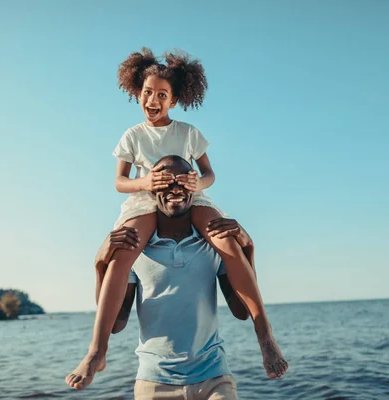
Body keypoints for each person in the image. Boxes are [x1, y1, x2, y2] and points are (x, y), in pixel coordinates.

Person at [67, 48, 287, 387]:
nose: (153, 100)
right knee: (122, 252)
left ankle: (266, 337)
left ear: (174, 99)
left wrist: (198, 182)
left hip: (189, 196)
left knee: (226, 240)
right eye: (147, 93)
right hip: (144, 200)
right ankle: (97, 350)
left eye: (162, 95)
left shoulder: (187, 132)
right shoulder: (133, 135)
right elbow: (119, 182)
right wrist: (145, 181)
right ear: (137, 93)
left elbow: (210, 173)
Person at [66, 155, 288, 398]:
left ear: (194, 188)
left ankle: (266, 338)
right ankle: (96, 353)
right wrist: (100, 263)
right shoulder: (136, 248)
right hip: (154, 381)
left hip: (214, 376)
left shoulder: (211, 243)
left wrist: (248, 248)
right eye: (166, 182)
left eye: (183, 181)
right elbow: (117, 323)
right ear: (151, 189)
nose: (176, 189)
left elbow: (241, 310)